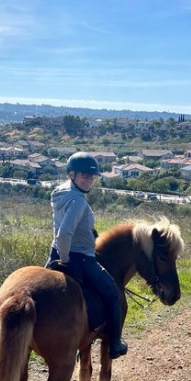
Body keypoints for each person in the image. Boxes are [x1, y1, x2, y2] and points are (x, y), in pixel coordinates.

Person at [47, 152, 128, 359]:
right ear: (71, 174)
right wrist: (65, 261)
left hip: (54, 253)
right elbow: (64, 234)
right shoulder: (78, 201)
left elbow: (68, 229)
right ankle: (115, 344)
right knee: (113, 295)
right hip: (80, 258)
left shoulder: (60, 193)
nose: (89, 180)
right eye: (85, 176)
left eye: (92, 176)